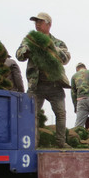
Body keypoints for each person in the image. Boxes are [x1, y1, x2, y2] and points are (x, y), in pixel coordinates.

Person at [16, 12, 71, 148]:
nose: (37, 24)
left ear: (49, 24)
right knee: (31, 115)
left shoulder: (58, 42)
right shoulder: (30, 40)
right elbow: (19, 55)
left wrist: (50, 47)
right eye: (36, 22)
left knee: (61, 114)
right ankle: (33, 143)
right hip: (36, 86)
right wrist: (28, 49)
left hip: (54, 85)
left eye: (40, 22)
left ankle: (60, 142)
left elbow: (66, 58)